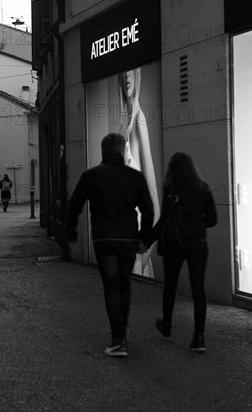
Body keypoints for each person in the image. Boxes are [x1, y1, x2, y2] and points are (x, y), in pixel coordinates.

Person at [67, 133, 154, 358]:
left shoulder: (91, 176)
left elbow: (74, 205)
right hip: (128, 238)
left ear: (103, 150)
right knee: (125, 284)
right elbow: (148, 210)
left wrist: (71, 230)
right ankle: (122, 329)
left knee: (111, 286)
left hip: (104, 238)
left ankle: (118, 338)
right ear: (124, 150)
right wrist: (144, 238)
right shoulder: (135, 177)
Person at [139, 152, 217, 352]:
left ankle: (166, 326)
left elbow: (164, 220)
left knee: (170, 286)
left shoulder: (170, 188)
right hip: (198, 244)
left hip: (175, 244)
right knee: (198, 289)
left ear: (172, 169)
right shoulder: (203, 188)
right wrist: (197, 223)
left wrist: (146, 241)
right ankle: (199, 338)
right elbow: (212, 220)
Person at [118, 68, 161, 277]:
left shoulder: (138, 120)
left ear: (138, 75)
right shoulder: (125, 124)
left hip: (137, 249)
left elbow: (155, 204)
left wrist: (143, 259)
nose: (127, 76)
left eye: (131, 71)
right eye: (123, 72)